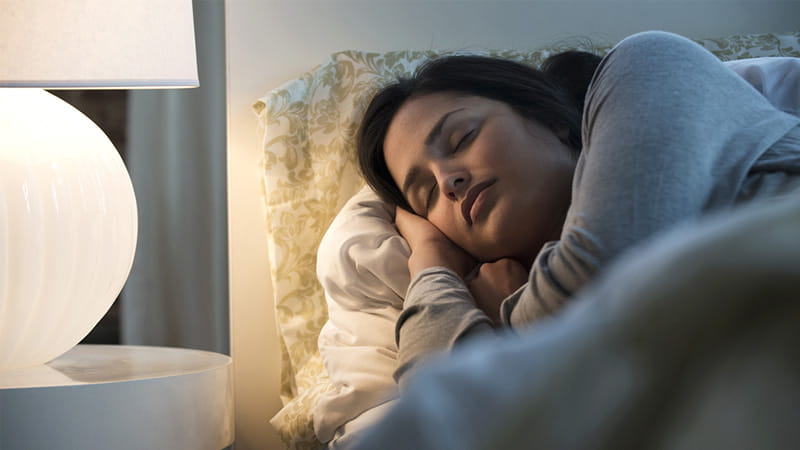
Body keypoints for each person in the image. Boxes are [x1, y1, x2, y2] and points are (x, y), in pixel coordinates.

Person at [355, 31, 800, 384]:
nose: (447, 182)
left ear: (548, 116)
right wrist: (432, 266)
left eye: (461, 138)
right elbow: (443, 413)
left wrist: (500, 319)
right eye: (425, 195)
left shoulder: (645, 67)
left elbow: (607, 270)